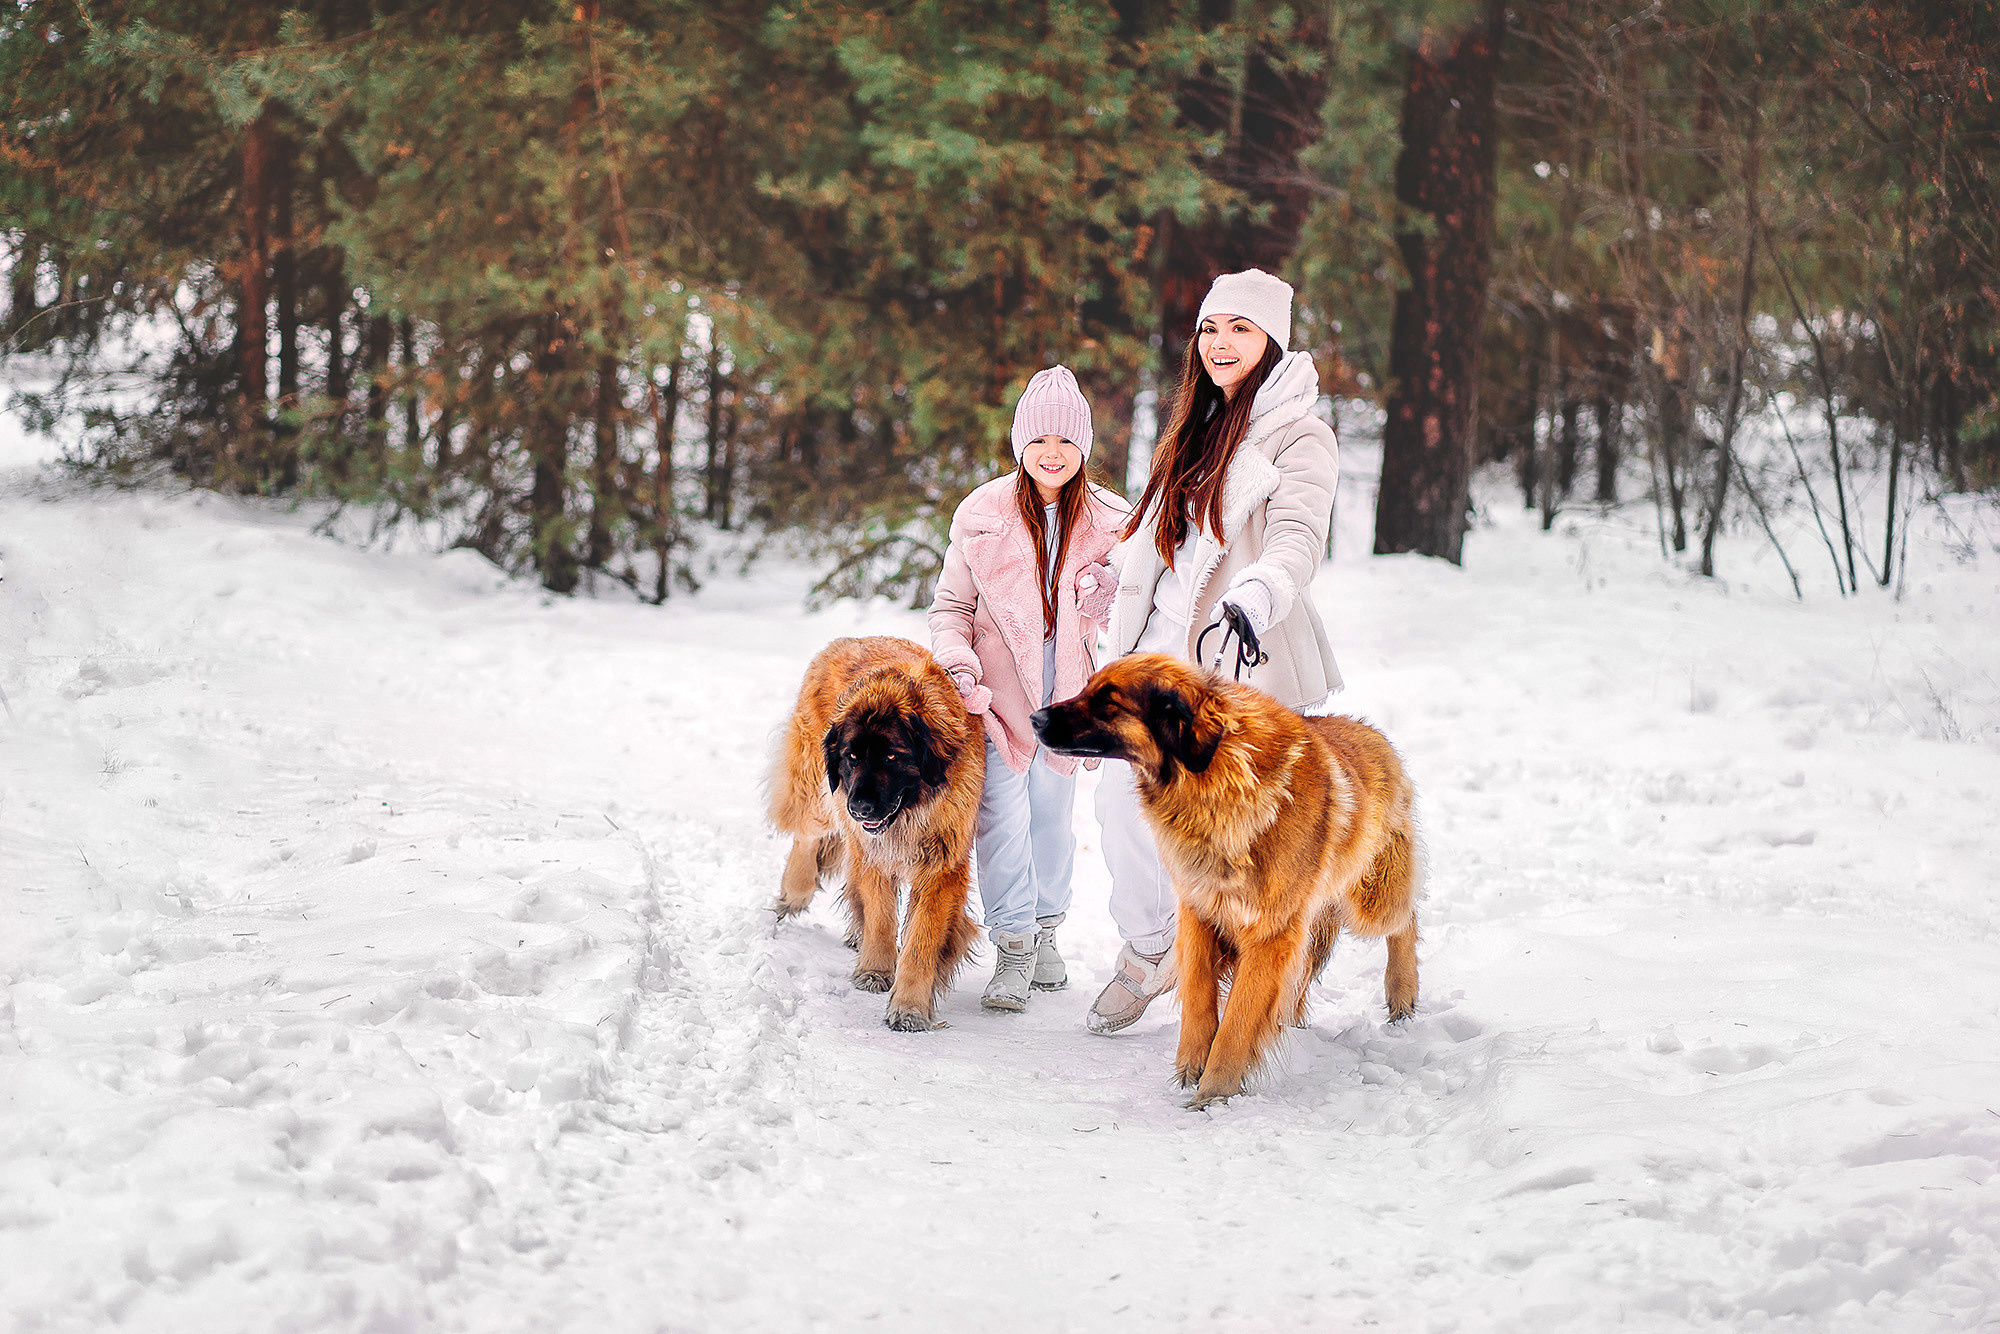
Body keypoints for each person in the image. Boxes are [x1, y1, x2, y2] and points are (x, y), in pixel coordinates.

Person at [1087, 268, 1343, 1035]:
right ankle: (1152, 947)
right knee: (1119, 801)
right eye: (1210, 328)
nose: (1221, 343)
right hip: (1155, 656)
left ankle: (1249, 977)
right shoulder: (1194, 426)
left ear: (1272, 341)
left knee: (1234, 835)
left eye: (1241, 328)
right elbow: (1160, 540)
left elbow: (1299, 535)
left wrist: (1261, 592)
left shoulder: (1301, 435)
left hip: (1237, 655)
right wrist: (1111, 579)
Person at [929, 366, 1129, 1011]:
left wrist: (1106, 595)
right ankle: (1012, 943)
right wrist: (958, 666)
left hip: (1066, 701)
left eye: (1066, 440)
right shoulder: (983, 515)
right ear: (1020, 443)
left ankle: (1045, 930)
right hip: (995, 699)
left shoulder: (1111, 522)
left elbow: (1135, 607)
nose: (1052, 452)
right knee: (1001, 819)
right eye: (1039, 438)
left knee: (1052, 821)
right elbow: (951, 609)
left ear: (1084, 447)